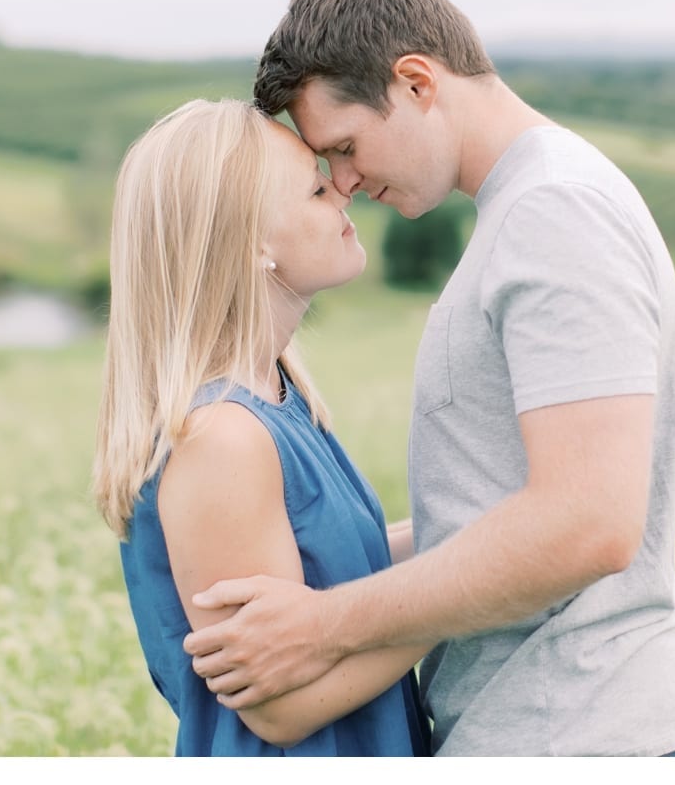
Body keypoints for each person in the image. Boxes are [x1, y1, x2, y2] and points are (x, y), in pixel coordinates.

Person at [180, 0, 675, 756]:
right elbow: (496, 506)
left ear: (418, 83)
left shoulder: (552, 211)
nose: (348, 181)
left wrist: (325, 624)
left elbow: (590, 522)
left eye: (348, 146)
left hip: (579, 732)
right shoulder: (525, 208)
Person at [92, 98, 431, 756]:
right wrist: (468, 599)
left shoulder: (279, 396)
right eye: (314, 186)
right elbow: (279, 710)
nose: (344, 190)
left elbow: (340, 580)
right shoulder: (222, 438)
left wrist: (497, 535)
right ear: (250, 243)